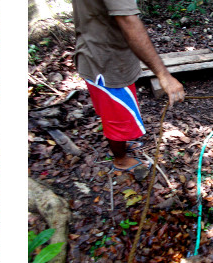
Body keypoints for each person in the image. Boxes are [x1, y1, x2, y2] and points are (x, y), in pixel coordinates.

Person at [73, 0, 186, 175]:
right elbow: (128, 21)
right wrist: (164, 75)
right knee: (118, 120)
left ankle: (121, 147)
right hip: (107, 64)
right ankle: (121, 160)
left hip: (95, 52)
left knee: (114, 114)